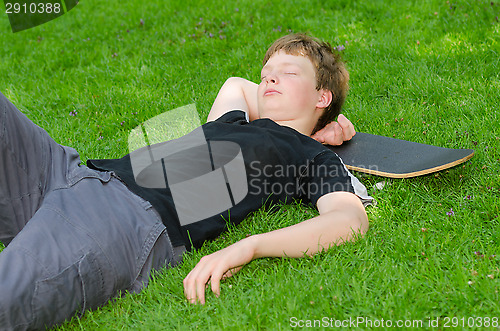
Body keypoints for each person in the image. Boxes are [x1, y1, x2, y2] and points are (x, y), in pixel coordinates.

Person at [0, 33, 372, 330]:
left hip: (118, 220)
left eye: (289, 73)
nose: (269, 78)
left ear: (323, 95)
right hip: (66, 172)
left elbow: (349, 220)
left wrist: (251, 247)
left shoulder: (306, 156)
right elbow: (237, 84)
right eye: (266, 73)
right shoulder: (233, 122)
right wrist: (324, 123)